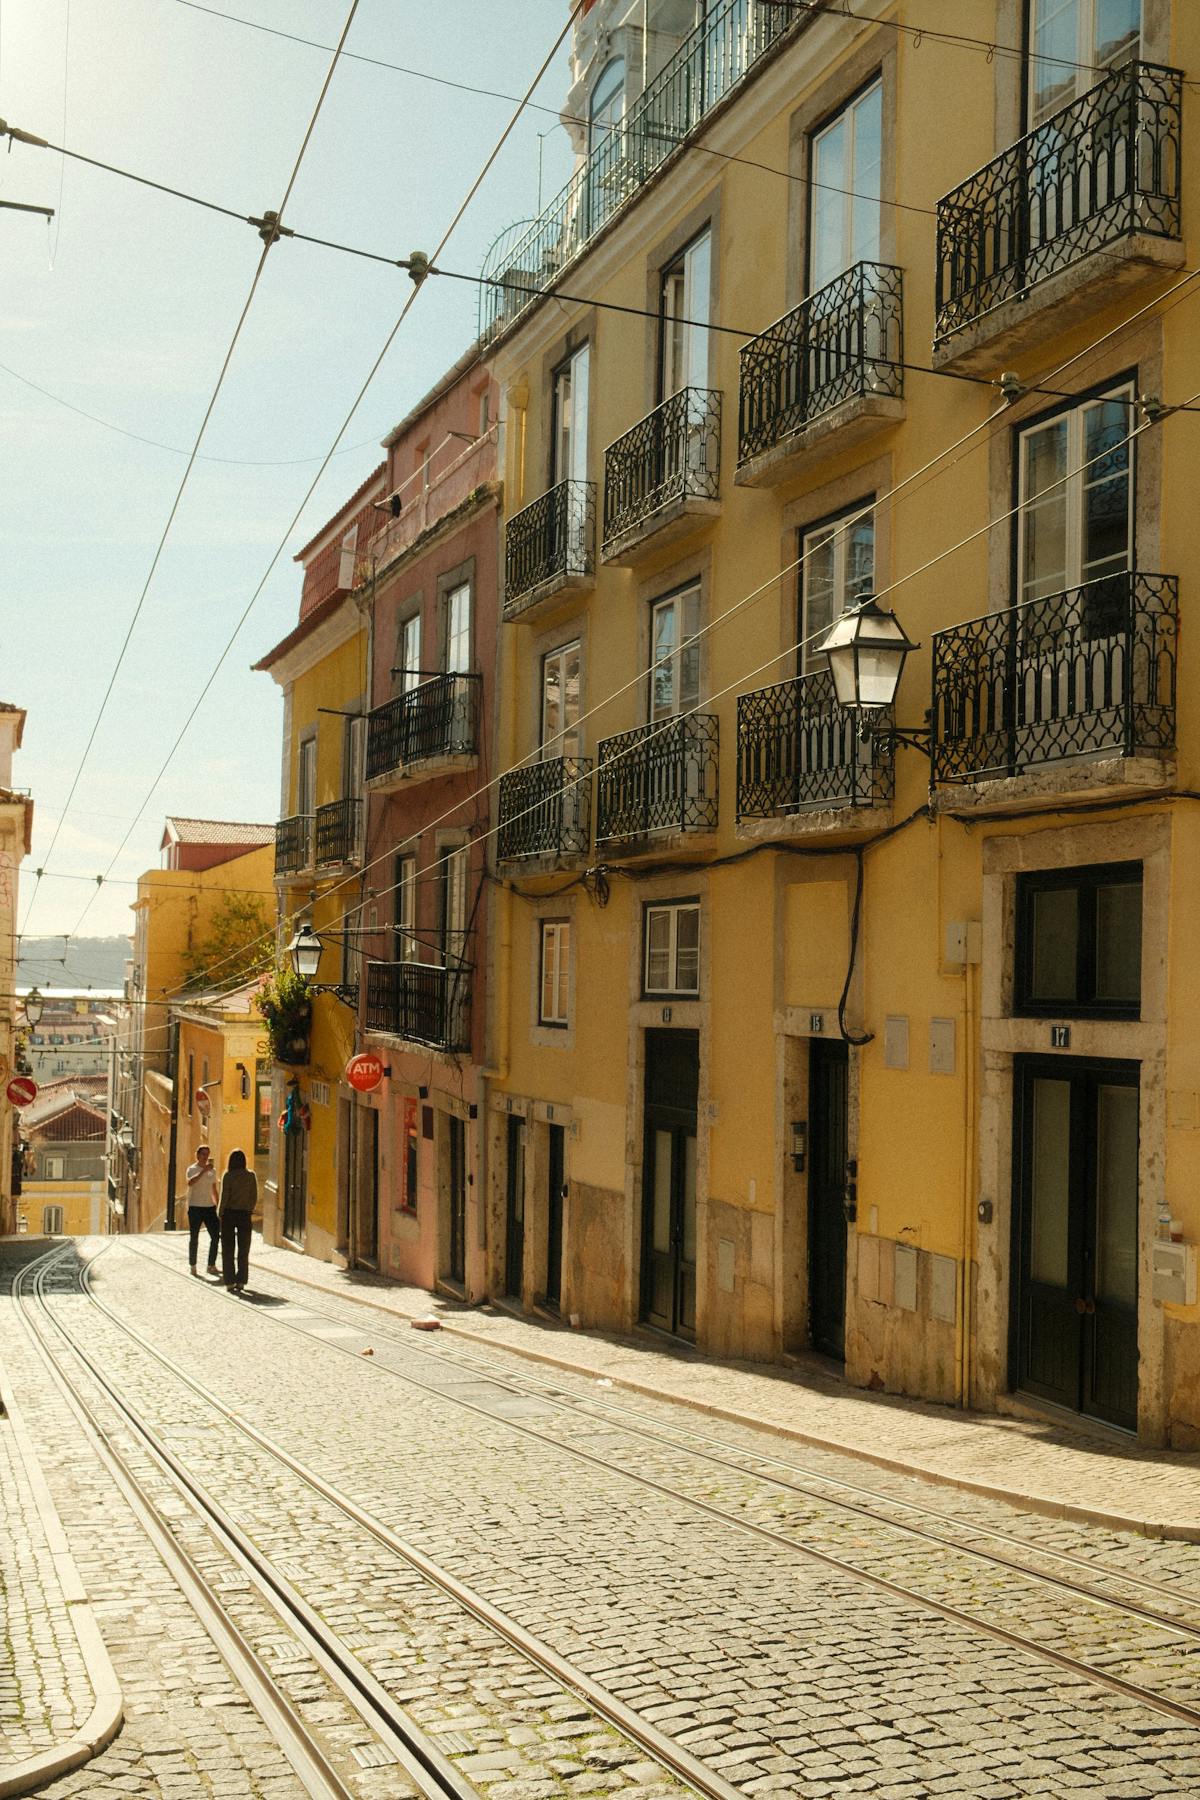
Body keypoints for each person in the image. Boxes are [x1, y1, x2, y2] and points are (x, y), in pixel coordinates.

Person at [219, 1148, 257, 1295]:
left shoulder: (228, 1175)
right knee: (243, 1249)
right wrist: (250, 1209)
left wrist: (220, 1213)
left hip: (229, 1214)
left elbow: (225, 1196)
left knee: (228, 1249)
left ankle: (229, 1281)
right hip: (244, 1215)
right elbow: (254, 1195)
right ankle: (241, 1280)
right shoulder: (251, 1176)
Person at [185, 1144, 219, 1276]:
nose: (206, 1157)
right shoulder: (192, 1169)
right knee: (194, 1238)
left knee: (215, 1236)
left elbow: (214, 1189)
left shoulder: (213, 1171)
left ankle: (211, 1264)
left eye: (207, 1154)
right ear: (198, 1155)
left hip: (209, 1207)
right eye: (203, 1154)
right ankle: (193, 1265)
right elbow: (190, 1182)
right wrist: (203, 1171)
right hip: (195, 1207)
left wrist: (218, 1205)